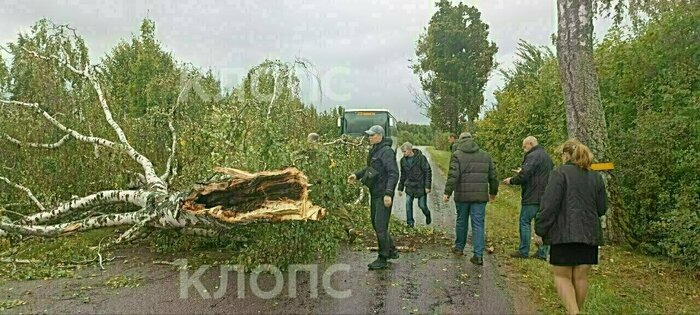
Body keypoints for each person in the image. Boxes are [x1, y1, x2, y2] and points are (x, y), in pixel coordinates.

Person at [535, 139, 607, 315]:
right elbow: (602, 208)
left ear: (566, 155)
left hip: (564, 234)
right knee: (581, 277)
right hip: (589, 235)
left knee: (562, 276)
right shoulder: (595, 177)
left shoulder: (559, 173)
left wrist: (540, 230)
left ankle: (573, 313)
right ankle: (574, 311)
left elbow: (549, 205)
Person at [347, 125, 399, 270]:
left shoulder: (387, 152)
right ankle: (392, 250)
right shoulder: (375, 150)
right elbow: (370, 169)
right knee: (376, 224)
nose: (369, 137)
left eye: (371, 135)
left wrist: (388, 193)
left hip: (383, 194)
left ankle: (382, 258)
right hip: (375, 193)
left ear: (379, 136)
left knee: (380, 226)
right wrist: (356, 175)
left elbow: (393, 173)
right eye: (369, 135)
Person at [443, 132, 499, 265]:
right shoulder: (486, 155)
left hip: (462, 196)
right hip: (480, 197)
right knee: (478, 224)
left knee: (462, 221)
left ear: (460, 141)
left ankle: (459, 248)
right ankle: (478, 256)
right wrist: (493, 193)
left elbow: (453, 176)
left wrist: (447, 192)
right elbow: (494, 177)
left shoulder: (457, 155)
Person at [502, 136, 554, 260]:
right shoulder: (547, 157)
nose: (524, 149)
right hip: (545, 195)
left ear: (530, 144)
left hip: (532, 195)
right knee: (541, 224)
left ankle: (524, 250)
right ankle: (543, 252)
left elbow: (525, 175)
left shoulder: (532, 156)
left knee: (525, 222)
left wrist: (511, 180)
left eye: (525, 147)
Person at [302, 132, 358, 244]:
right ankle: (349, 227)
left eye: (309, 142)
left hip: (316, 186)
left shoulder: (308, 154)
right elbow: (333, 168)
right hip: (329, 185)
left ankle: (314, 232)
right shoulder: (327, 153)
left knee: (311, 207)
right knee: (337, 207)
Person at [397, 142, 432, 228]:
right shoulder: (403, 161)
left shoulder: (421, 158)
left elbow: (427, 172)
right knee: (408, 204)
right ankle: (410, 223)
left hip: (420, 186)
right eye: (402, 152)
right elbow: (403, 175)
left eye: (404, 151)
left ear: (409, 150)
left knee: (422, 205)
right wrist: (400, 188)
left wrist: (427, 186)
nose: (403, 153)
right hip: (409, 186)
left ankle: (427, 214)